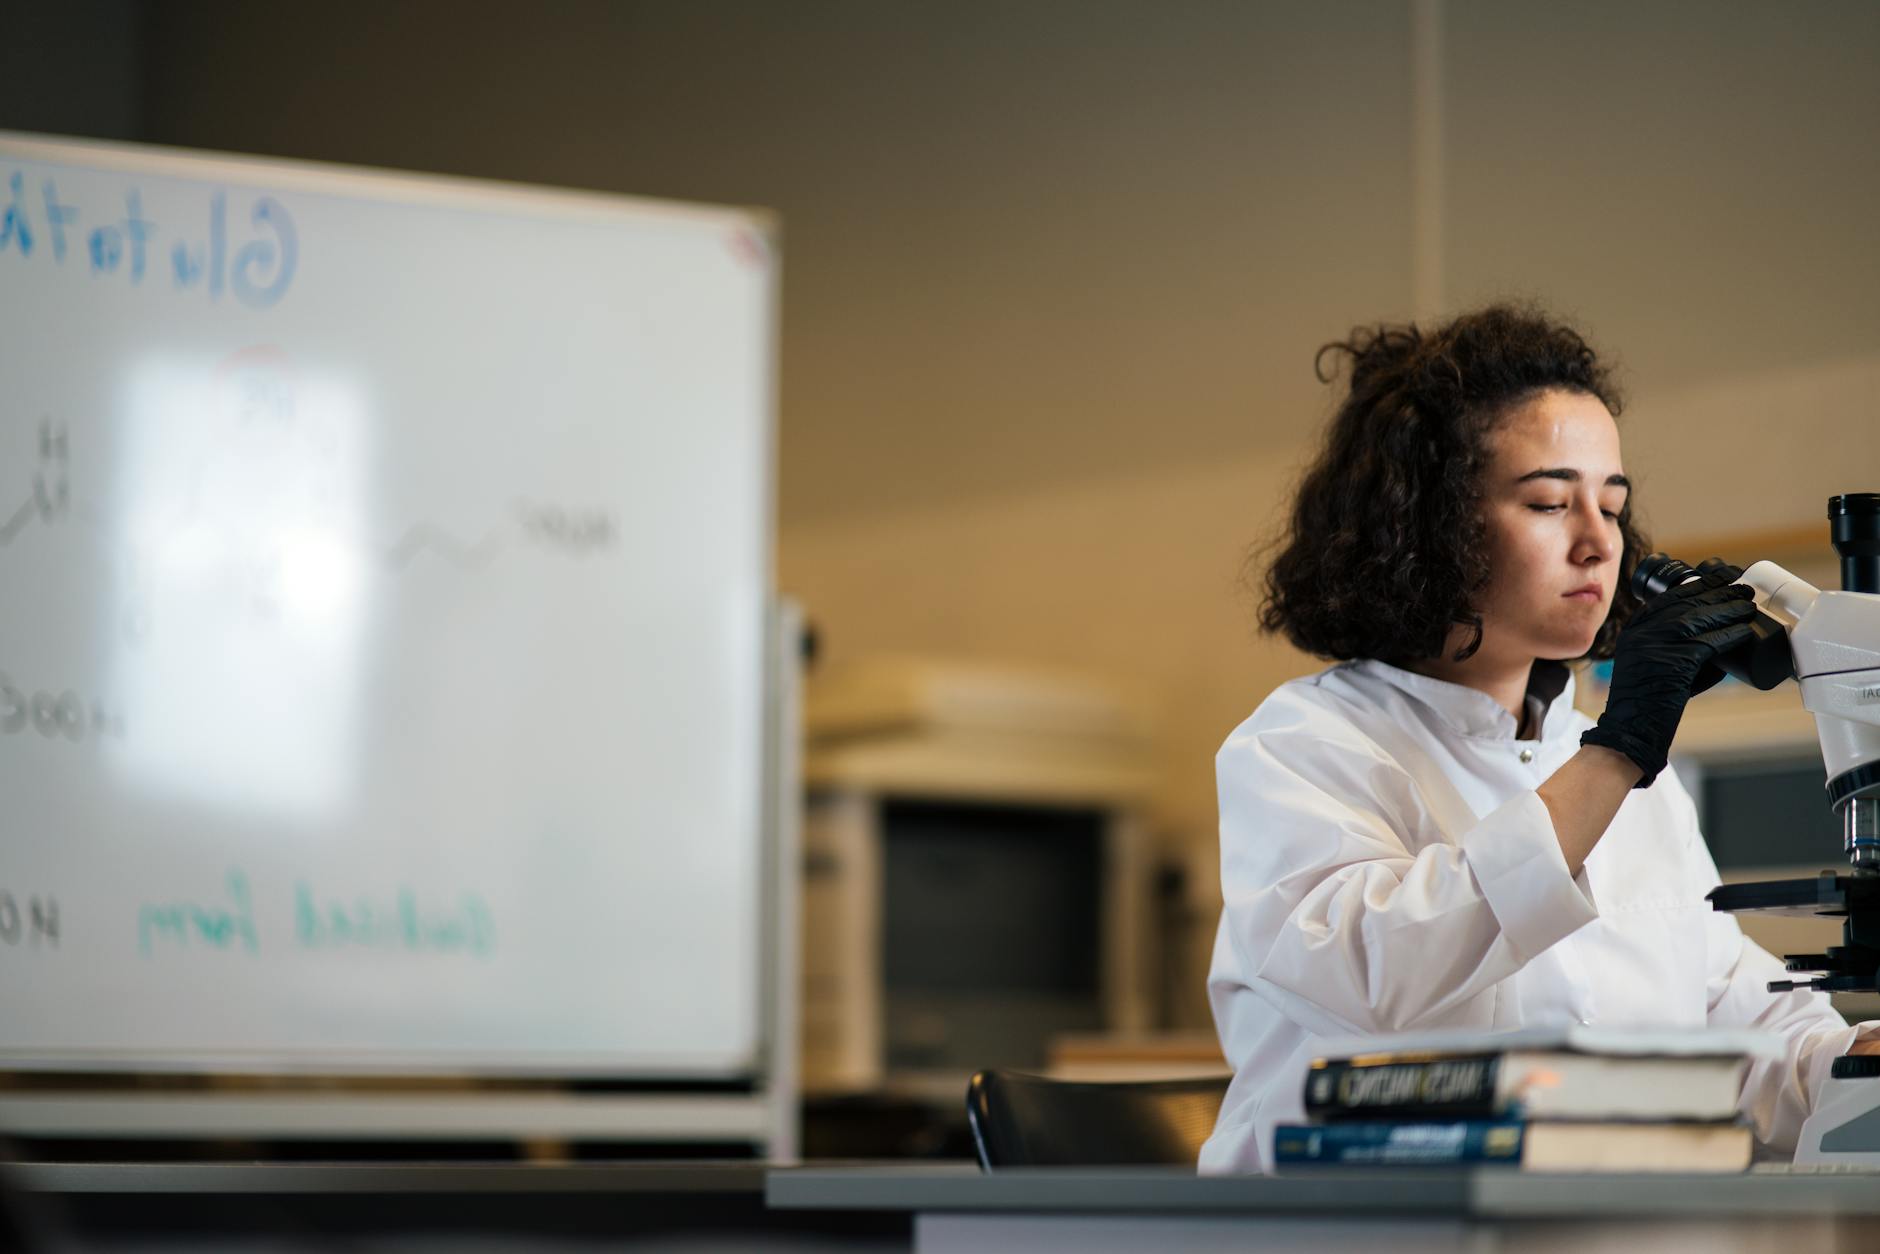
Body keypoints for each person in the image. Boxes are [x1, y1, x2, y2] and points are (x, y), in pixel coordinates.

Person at [1201, 304, 1876, 1174]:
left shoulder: (1619, 777)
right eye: (1551, 502)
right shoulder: (1303, 745)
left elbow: (1736, 1019)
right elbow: (1379, 978)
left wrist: (1851, 1062)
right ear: (1429, 524)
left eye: (1613, 504)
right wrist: (1620, 747)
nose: (1600, 543)